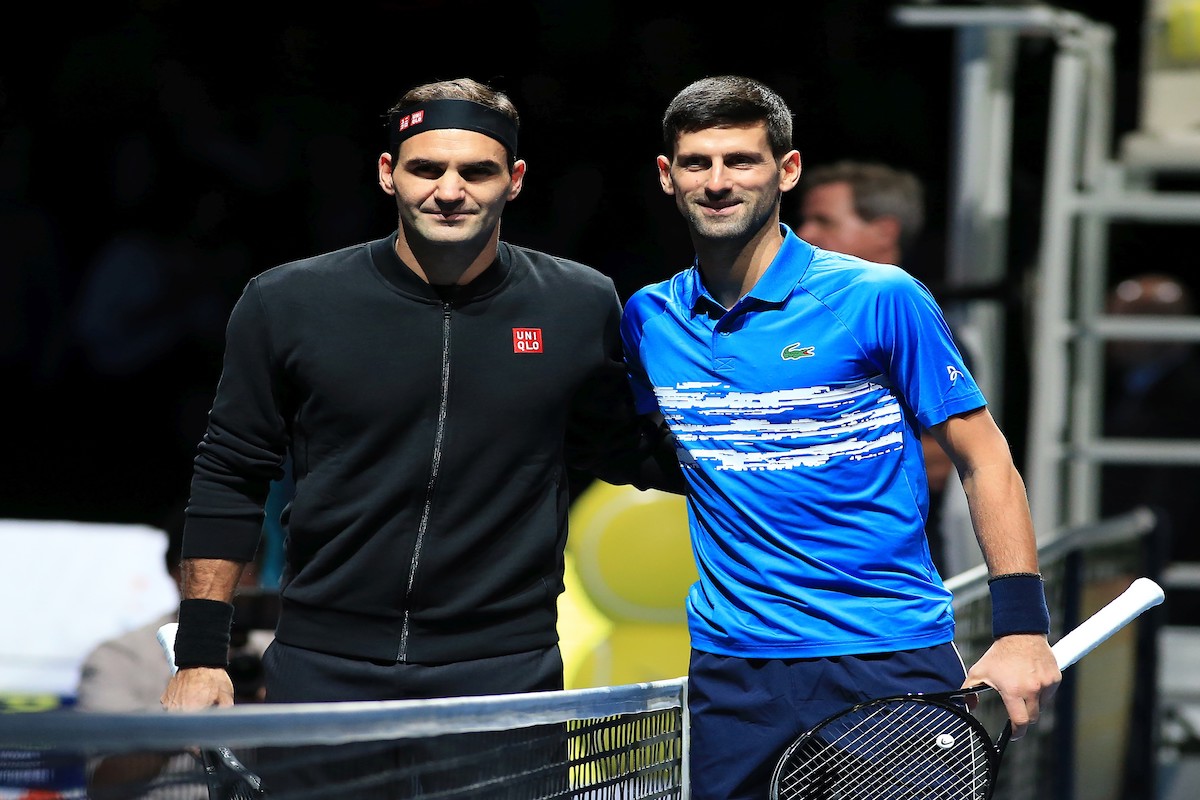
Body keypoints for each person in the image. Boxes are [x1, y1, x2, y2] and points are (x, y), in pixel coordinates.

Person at [160, 77, 683, 796]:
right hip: (323, 668)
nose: (450, 191)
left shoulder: (577, 301)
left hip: (503, 676)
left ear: (515, 180)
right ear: (388, 172)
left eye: (477, 171)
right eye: (426, 168)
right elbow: (230, 472)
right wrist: (200, 655)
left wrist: (770, 455)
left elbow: (617, 446)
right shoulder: (288, 301)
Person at [620, 75, 1061, 800]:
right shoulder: (648, 318)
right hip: (733, 670)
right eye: (697, 163)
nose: (718, 182)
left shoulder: (879, 297)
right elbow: (671, 454)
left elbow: (985, 459)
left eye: (742, 160)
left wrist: (1021, 629)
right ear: (668, 177)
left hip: (884, 656)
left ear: (787, 170)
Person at [793, 159, 980, 577]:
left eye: (824, 221)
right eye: (805, 220)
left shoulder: (921, 327)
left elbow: (946, 459)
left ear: (884, 231)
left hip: (892, 580)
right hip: (791, 576)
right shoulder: (787, 324)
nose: (804, 234)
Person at [76, 510, 269, 799]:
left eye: (244, 569)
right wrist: (180, 719)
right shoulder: (120, 657)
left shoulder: (275, 654)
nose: (231, 584)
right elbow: (103, 782)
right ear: (179, 571)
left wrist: (276, 708)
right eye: (216, 570)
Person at [1101, 272, 1200, 625]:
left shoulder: (1190, 397)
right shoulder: (1114, 387)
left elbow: (1178, 488)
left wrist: (1148, 556)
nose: (1113, 329)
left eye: (1127, 318)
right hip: (1130, 554)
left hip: (1171, 567)